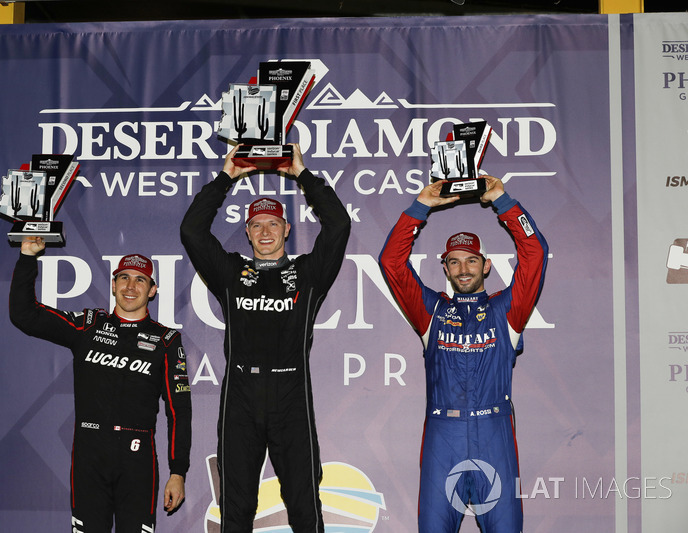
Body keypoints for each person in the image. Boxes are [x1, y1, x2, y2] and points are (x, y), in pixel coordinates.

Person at [180, 144, 351, 532]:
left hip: (291, 393)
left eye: (274, 223)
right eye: (257, 224)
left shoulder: (308, 274)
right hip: (241, 392)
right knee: (236, 509)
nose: (266, 231)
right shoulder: (231, 272)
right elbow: (191, 230)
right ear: (247, 231)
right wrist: (226, 178)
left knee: (305, 506)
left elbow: (339, 225)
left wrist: (302, 176)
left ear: (287, 229)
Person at [378, 176, 548, 533]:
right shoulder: (431, 311)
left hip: (493, 434)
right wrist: (421, 205)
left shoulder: (507, 310)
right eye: (453, 262)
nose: (463, 268)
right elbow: (391, 263)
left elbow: (535, 254)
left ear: (486, 265)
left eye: (471, 261)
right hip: (445, 437)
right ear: (445, 269)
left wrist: (502, 199)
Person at [9, 239, 192, 533]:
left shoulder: (166, 340)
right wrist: (28, 257)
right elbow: (24, 315)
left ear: (153, 290)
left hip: (138, 458)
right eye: (124, 278)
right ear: (113, 284)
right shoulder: (88, 325)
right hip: (89, 453)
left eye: (140, 280)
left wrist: (178, 471)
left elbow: (179, 410)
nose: (130, 287)